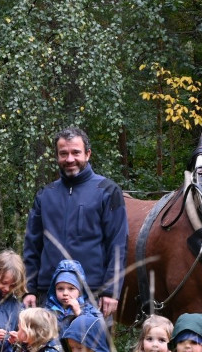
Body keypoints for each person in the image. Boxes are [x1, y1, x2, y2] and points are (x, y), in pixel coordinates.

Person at [22, 127, 128, 319]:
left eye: (76, 152)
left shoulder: (107, 191)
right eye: (64, 153)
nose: (70, 159)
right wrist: (29, 289)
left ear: (87, 154)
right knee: (49, 349)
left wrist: (111, 291)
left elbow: (118, 245)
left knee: (92, 349)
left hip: (93, 294)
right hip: (50, 295)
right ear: (57, 157)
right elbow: (32, 246)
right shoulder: (45, 195)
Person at [44, 259, 92, 333]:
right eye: (60, 289)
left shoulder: (88, 309)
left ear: (80, 291)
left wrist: (78, 312)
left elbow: (92, 331)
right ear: (54, 290)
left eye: (71, 289)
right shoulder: (48, 310)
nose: (65, 293)